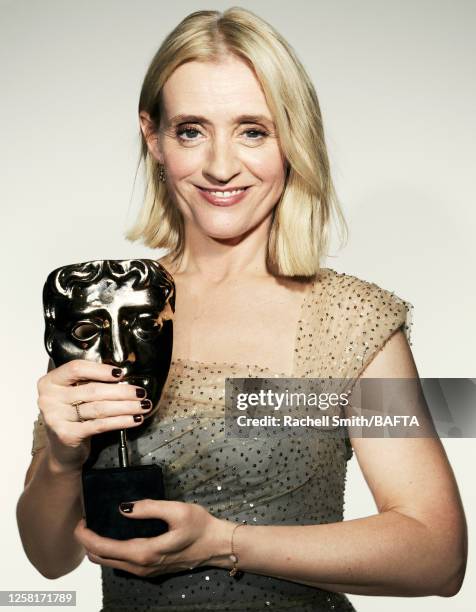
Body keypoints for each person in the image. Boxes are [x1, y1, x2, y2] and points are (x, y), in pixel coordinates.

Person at [17, 7, 467, 612]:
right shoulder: (108, 310)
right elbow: (48, 559)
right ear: (153, 137)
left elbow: (436, 554)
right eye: (191, 130)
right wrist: (63, 459)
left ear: (292, 139)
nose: (221, 165)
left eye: (253, 130)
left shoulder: (348, 320)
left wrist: (224, 542)